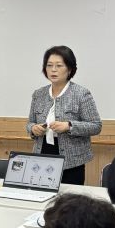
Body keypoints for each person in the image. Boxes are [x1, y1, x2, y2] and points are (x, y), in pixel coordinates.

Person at [26, 45, 102, 185]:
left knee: (68, 202)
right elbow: (30, 123)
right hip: (42, 155)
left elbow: (96, 126)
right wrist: (33, 128)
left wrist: (69, 126)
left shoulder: (81, 94)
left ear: (70, 69)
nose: (53, 70)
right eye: (49, 65)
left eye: (59, 65)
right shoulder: (38, 94)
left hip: (71, 161)